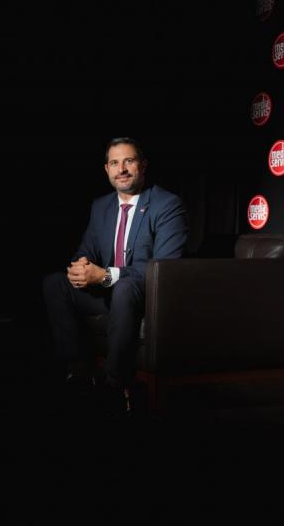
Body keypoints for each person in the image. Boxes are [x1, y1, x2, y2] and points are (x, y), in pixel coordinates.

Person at [42, 137, 188, 415]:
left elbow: (165, 268)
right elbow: (86, 250)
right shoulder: (101, 206)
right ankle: (78, 373)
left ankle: (115, 385)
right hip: (108, 294)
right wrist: (80, 267)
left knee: (124, 288)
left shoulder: (167, 205)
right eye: (114, 163)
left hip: (144, 296)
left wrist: (107, 276)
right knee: (55, 283)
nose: (121, 169)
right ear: (106, 169)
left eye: (128, 161)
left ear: (143, 166)